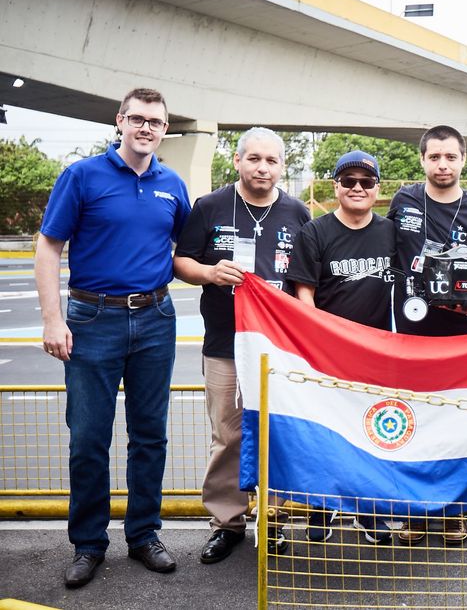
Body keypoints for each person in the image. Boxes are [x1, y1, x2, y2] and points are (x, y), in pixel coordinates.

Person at [35, 88, 191, 588]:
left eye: (157, 122)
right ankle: (88, 544)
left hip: (155, 318)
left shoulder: (173, 185)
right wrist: (53, 319)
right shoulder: (83, 176)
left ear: (165, 129)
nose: (147, 128)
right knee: (88, 438)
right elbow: (49, 245)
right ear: (120, 121)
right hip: (91, 319)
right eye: (138, 119)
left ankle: (144, 534)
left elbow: (185, 252)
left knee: (150, 435)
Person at [173, 127, 311, 563]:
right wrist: (210, 273)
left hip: (279, 345)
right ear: (237, 161)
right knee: (228, 434)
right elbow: (180, 261)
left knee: (280, 434)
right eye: (254, 159)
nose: (262, 168)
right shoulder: (211, 205)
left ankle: (274, 521)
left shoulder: (297, 212)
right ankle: (227, 523)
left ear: (281, 166)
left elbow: (307, 278)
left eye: (271, 161)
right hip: (224, 343)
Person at [386, 125, 467, 546]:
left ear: (463, 159)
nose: (442, 165)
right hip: (410, 335)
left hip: (460, 339)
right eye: (434, 157)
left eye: (450, 157)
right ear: (423, 160)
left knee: (455, 424)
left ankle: (454, 511)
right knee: (413, 423)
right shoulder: (405, 201)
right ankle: (417, 511)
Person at [286, 149, 396, 544]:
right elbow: (304, 294)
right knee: (325, 434)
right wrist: (325, 344)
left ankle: (369, 510)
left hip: (375, 355)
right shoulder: (315, 232)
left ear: (377, 190)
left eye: (366, 182)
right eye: (348, 181)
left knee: (371, 433)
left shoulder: (390, 231)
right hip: (328, 354)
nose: (357, 188)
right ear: (336, 187)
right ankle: (323, 507)